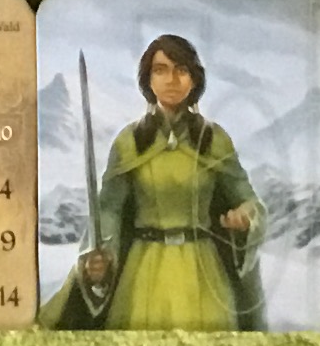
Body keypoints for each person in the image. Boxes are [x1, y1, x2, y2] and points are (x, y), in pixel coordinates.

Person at [48, 32, 264, 330]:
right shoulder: (129, 142)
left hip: (202, 271)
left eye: (181, 70)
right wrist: (100, 258)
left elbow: (248, 200)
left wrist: (245, 218)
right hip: (143, 270)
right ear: (147, 80)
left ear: (194, 79)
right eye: (160, 70)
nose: (171, 80)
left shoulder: (214, 140)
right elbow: (109, 208)